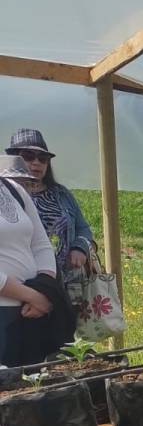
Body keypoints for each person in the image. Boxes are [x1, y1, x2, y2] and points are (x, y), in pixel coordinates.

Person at [6, 129, 95, 280]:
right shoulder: (5, 195)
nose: (36, 162)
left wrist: (80, 247)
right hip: (21, 281)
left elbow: (83, 228)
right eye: (28, 156)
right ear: (13, 159)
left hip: (66, 282)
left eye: (43, 158)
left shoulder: (62, 194)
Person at [0, 155, 59, 363]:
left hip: (29, 312)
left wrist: (44, 286)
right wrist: (33, 296)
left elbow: (41, 243)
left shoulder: (13, 189)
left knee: (30, 387)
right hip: (8, 309)